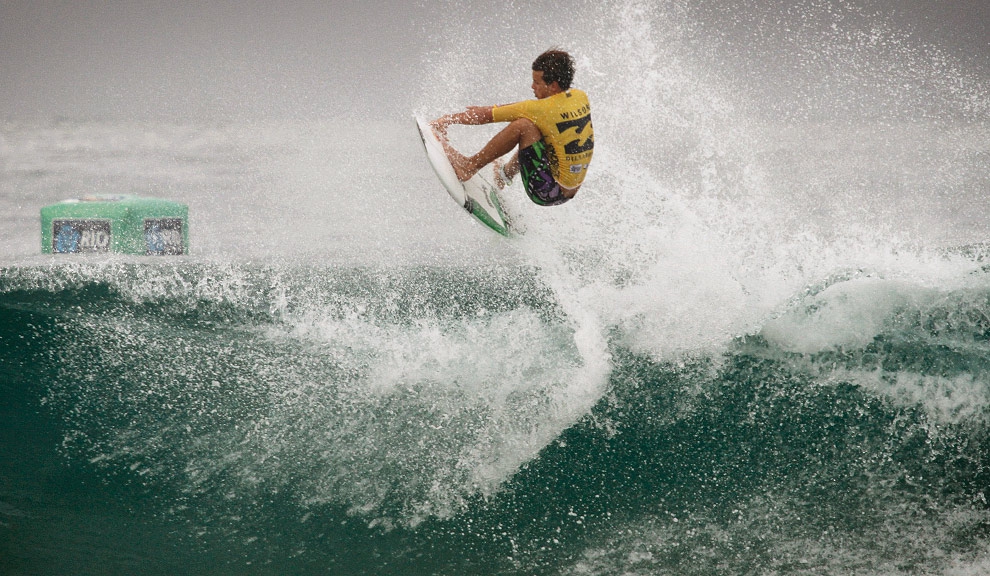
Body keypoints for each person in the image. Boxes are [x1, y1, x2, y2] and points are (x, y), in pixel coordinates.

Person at [431, 49, 594, 206]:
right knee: (539, 128)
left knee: (523, 126)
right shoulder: (580, 97)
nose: (532, 86)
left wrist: (447, 120)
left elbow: (486, 116)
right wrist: (490, 109)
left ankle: (468, 167)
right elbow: (526, 110)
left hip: (547, 192)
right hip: (571, 188)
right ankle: (504, 175)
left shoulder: (540, 110)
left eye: (537, 82)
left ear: (553, 86)